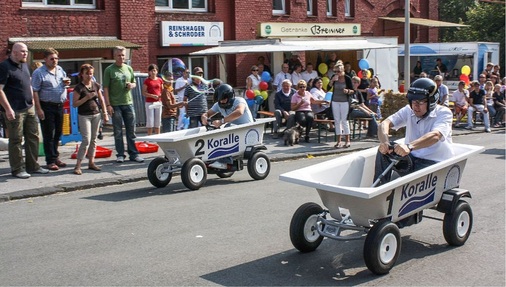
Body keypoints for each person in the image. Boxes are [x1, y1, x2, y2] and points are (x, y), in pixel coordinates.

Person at [374, 78, 454, 186]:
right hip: (412, 159)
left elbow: (435, 136)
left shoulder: (444, 113)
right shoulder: (408, 110)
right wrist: (385, 142)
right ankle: (379, 190)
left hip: (434, 163)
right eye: (413, 100)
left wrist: (410, 146)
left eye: (420, 101)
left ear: (431, 101)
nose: (415, 105)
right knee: (385, 150)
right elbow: (384, 123)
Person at [0, 42, 49, 179]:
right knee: (16, 140)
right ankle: (17, 169)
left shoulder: (25, 65)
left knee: (33, 137)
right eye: (22, 51)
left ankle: (33, 166)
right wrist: (7, 108)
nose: (25, 54)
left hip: (29, 107)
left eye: (26, 51)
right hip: (14, 109)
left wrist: (32, 100)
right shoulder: (4, 67)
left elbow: (28, 83)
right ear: (14, 52)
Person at [103, 46, 144, 163]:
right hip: (115, 104)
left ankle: (134, 154)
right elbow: (105, 88)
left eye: (123, 55)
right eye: (118, 55)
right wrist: (108, 105)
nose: (121, 57)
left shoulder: (128, 68)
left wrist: (132, 85)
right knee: (118, 131)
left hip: (128, 102)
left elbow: (134, 82)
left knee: (131, 130)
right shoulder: (109, 70)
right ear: (114, 56)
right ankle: (120, 154)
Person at [31, 47, 69, 170]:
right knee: (49, 134)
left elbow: (63, 82)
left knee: (58, 133)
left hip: (59, 105)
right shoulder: (39, 72)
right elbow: (35, 91)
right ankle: (50, 160)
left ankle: (55, 156)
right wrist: (39, 109)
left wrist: (66, 84)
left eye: (56, 58)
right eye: (52, 59)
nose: (55, 61)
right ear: (45, 59)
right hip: (46, 106)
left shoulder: (60, 69)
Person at [201, 84, 254, 169]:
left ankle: (226, 162)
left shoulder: (240, 101)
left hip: (246, 130)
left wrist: (222, 121)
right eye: (220, 100)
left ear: (230, 97)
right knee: (213, 131)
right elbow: (207, 113)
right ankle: (213, 157)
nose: (222, 102)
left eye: (224, 99)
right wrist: (204, 117)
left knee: (227, 128)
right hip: (234, 132)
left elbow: (239, 112)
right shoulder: (218, 105)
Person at [72, 64, 109, 175]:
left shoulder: (96, 85)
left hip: (96, 114)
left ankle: (91, 162)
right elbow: (75, 104)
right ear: (82, 74)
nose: (89, 76)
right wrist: (86, 97)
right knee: (86, 140)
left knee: (94, 139)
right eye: (87, 73)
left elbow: (101, 100)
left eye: (91, 74)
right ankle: (78, 165)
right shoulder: (79, 88)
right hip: (84, 115)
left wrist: (105, 113)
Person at [330, 63, 354, 148]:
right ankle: (339, 141)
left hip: (345, 101)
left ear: (343, 70)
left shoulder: (347, 78)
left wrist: (347, 91)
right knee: (337, 120)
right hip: (335, 101)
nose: (338, 73)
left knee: (344, 120)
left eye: (339, 71)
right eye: (336, 71)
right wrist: (332, 80)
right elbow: (328, 87)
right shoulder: (334, 77)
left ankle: (347, 140)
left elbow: (353, 90)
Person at [142, 64, 163, 135]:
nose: (153, 72)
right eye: (151, 71)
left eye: (155, 70)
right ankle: (149, 136)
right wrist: (152, 96)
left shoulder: (160, 80)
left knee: (158, 120)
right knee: (150, 120)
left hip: (158, 102)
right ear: (149, 72)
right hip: (150, 102)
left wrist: (160, 95)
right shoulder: (147, 81)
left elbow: (162, 90)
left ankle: (158, 137)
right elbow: (144, 92)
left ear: (157, 71)